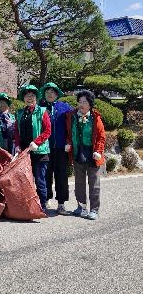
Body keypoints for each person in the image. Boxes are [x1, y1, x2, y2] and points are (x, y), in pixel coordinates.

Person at [65, 90, 106, 220]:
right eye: (80, 101)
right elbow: (68, 133)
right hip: (78, 153)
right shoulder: (72, 116)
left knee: (94, 183)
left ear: (90, 104)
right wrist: (68, 143)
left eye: (85, 102)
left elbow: (101, 137)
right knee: (79, 182)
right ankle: (81, 207)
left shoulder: (95, 117)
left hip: (93, 154)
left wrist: (98, 151)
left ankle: (94, 209)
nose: (81, 104)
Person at [14, 85, 51, 212]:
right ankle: (28, 205)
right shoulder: (20, 113)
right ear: (24, 98)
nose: (30, 98)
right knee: (26, 180)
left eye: (32, 96)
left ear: (36, 98)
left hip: (40, 152)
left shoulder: (42, 111)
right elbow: (17, 131)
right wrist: (18, 145)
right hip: (25, 152)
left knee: (40, 180)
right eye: (27, 96)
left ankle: (42, 206)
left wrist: (37, 142)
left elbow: (47, 131)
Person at [39, 82, 74, 215]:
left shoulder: (65, 107)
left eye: (52, 92)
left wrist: (68, 141)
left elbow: (72, 126)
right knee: (45, 175)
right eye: (47, 92)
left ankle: (61, 203)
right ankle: (46, 199)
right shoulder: (40, 107)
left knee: (62, 175)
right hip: (45, 148)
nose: (50, 94)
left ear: (57, 94)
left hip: (61, 148)